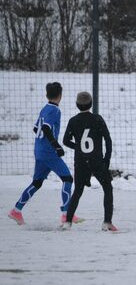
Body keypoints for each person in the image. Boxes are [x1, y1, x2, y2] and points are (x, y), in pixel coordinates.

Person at [8, 82, 81, 225]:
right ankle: (66, 214)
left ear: (46, 95)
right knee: (68, 179)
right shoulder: (54, 110)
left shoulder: (44, 109)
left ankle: (16, 210)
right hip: (49, 152)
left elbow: (37, 129)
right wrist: (56, 145)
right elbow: (46, 128)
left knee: (37, 182)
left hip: (39, 150)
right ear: (60, 95)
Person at [61, 92, 117, 231]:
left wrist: (78, 147)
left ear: (77, 105)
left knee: (78, 191)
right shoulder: (97, 119)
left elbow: (65, 141)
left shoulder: (73, 121)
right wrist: (106, 159)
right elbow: (108, 139)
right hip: (97, 160)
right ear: (91, 104)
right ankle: (107, 222)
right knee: (107, 188)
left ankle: (67, 222)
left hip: (81, 161)